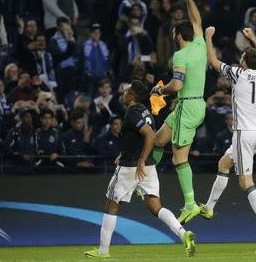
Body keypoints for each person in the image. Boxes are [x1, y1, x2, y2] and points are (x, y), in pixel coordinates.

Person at [84, 81, 196, 259]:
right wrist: (127, 154)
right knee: (156, 206)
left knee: (111, 205)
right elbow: (137, 138)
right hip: (148, 167)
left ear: (131, 96)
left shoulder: (131, 114)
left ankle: (102, 252)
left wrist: (140, 159)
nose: (123, 94)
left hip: (132, 167)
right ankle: (183, 234)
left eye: (126, 91)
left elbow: (150, 135)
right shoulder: (146, 111)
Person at [203, 26, 256, 250]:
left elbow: (214, 62)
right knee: (224, 163)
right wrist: (253, 37)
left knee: (245, 181)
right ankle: (209, 207)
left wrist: (208, 37)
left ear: (243, 62)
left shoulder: (238, 74)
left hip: (244, 133)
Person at [149, 0, 207, 224]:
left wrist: (159, 90)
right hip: (193, 105)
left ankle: (191, 205)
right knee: (157, 141)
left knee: (179, 160)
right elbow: (197, 19)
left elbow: (176, 85)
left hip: (187, 106)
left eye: (173, 34)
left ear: (177, 36)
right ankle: (146, 181)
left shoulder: (180, 56)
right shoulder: (200, 45)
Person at [82, 23, 110, 96]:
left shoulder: (103, 45)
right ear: (91, 34)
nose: (97, 35)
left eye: (98, 33)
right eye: (95, 33)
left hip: (102, 76)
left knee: (102, 95)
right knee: (89, 95)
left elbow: (106, 60)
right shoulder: (85, 45)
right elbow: (85, 61)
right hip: (90, 77)